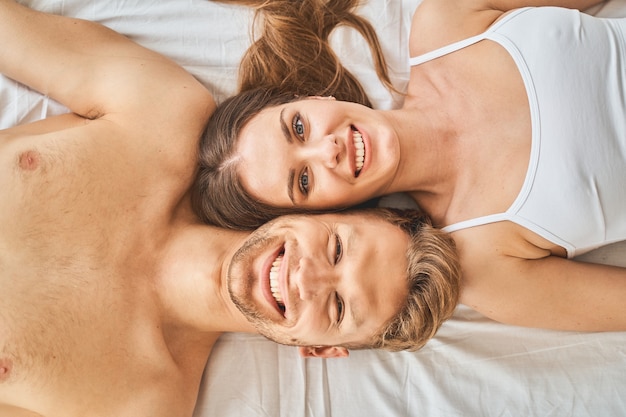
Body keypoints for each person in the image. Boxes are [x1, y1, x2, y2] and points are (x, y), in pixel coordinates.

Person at [0, 1, 461, 415]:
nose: (307, 279)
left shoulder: (142, 402)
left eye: (339, 308)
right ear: (322, 211)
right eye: (337, 249)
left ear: (320, 350)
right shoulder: (161, 115)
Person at [194, 0, 626, 332]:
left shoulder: (448, 20)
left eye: (300, 127)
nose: (328, 151)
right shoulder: (483, 265)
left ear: (312, 97)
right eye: (304, 180)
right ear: (322, 214)